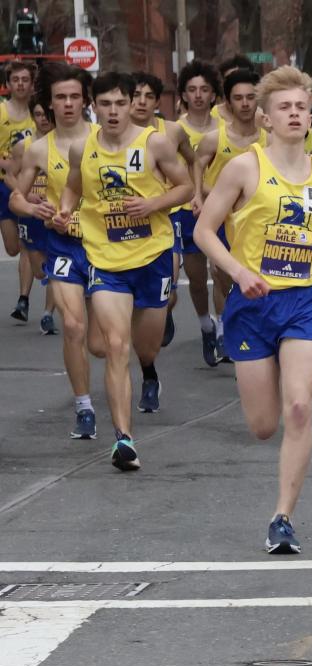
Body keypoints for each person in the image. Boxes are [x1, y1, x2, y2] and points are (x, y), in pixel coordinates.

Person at [194, 66, 312, 553]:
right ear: (266, 118)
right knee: (263, 425)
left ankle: (282, 517)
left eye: (301, 107)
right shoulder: (244, 168)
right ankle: (278, 491)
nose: (295, 114)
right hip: (251, 305)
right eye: (285, 108)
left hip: (303, 302)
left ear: (310, 114)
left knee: (299, 407)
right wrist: (238, 272)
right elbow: (204, 232)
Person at [53, 71, 193, 470]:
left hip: (152, 256)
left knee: (144, 349)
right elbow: (73, 188)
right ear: (92, 107)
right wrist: (65, 212)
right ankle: (124, 439)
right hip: (106, 259)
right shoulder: (83, 148)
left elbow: (185, 188)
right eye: (105, 104)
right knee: (115, 346)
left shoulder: (154, 142)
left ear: (132, 104)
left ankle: (151, 362)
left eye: (120, 103)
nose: (113, 112)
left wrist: (153, 205)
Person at [10, 63, 101, 439]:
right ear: (50, 102)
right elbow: (16, 196)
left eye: (74, 97)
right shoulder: (37, 150)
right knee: (74, 326)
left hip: (106, 247)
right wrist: (33, 208)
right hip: (62, 244)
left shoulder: (104, 138)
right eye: (60, 97)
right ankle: (84, 406)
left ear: (85, 100)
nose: (67, 104)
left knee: (101, 343)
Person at [192, 69, 267, 335]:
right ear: (227, 102)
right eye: (238, 98)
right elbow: (197, 165)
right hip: (222, 214)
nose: (245, 103)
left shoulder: (270, 137)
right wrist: (199, 195)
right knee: (221, 272)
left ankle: (244, 323)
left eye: (250, 97)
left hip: (257, 219)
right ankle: (225, 322)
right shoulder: (215, 138)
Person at [130, 71, 196, 353]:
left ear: (158, 101)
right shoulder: (113, 134)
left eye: (149, 97)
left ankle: (164, 308)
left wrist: (198, 193)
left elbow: (194, 162)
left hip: (170, 212)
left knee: (168, 288)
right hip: (130, 218)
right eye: (136, 95)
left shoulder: (172, 131)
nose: (142, 102)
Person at [176, 60, 226, 366]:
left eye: (204, 89)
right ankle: (206, 324)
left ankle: (222, 330)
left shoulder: (225, 129)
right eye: (192, 89)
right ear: (183, 94)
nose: (198, 95)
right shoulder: (175, 130)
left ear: (213, 94)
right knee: (196, 279)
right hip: (187, 210)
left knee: (221, 272)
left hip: (221, 209)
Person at [7, 96, 57, 334]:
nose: (43, 119)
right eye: (38, 115)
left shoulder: (64, 144)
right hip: (29, 211)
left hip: (56, 212)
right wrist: (25, 197)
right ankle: (31, 296)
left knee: (56, 261)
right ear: (32, 117)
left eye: (46, 114)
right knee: (40, 269)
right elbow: (9, 174)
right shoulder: (23, 146)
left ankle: (48, 313)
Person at [2, 62, 38, 323]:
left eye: (25, 79)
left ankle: (23, 300)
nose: (21, 84)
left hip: (30, 185)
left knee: (25, 245)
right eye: (16, 79)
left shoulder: (38, 113)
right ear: (9, 83)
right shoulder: (1, 111)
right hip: (3, 183)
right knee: (13, 248)